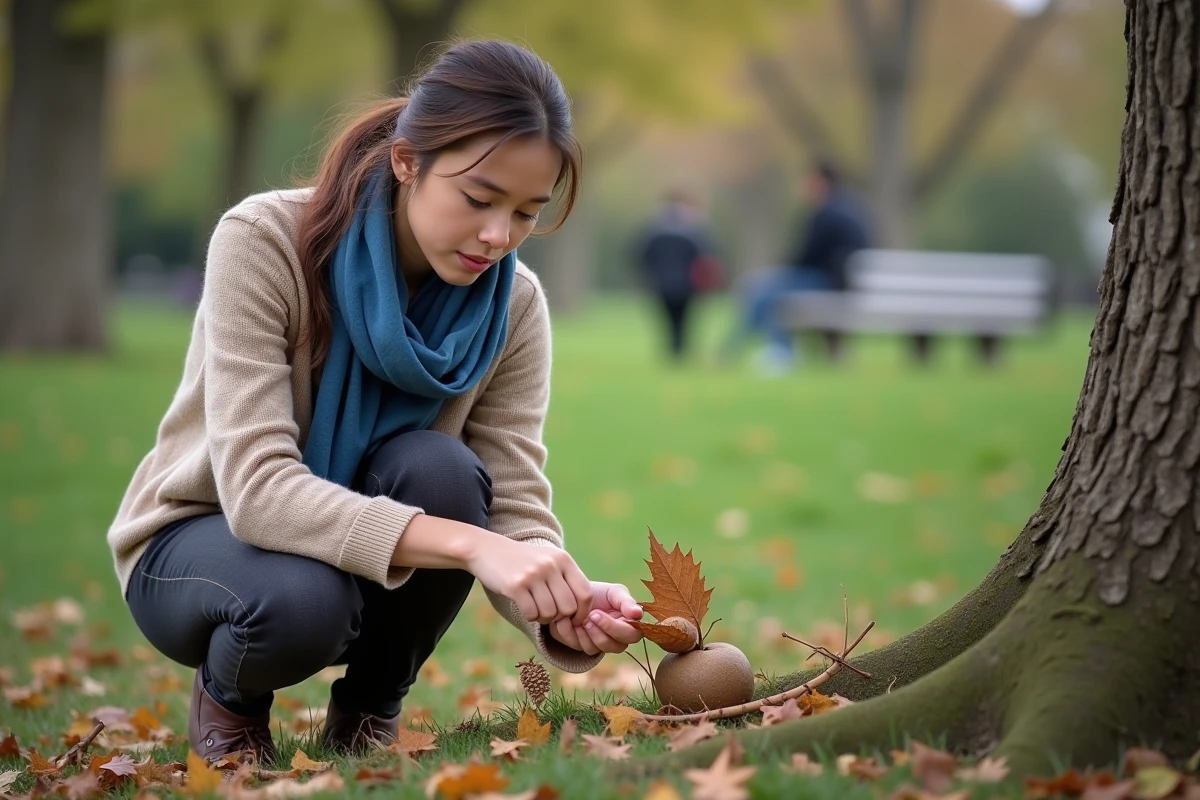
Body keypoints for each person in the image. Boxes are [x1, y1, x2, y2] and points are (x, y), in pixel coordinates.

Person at [106, 40, 645, 764]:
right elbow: (259, 491)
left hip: (356, 545)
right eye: (479, 199)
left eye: (525, 213)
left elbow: (511, 497)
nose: (497, 236)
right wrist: (472, 546)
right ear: (406, 162)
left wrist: (559, 601)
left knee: (444, 471)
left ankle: (368, 712)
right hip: (199, 539)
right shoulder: (265, 241)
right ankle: (231, 704)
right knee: (302, 602)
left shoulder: (513, 304)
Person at [723, 160, 871, 371]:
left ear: (820, 181)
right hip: (842, 282)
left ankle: (773, 351)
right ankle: (747, 349)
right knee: (762, 290)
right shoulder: (850, 207)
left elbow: (807, 255)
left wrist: (785, 265)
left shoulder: (828, 213)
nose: (803, 187)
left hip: (830, 283)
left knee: (764, 295)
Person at [634, 190, 721, 360]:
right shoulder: (695, 231)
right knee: (685, 319)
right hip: (688, 284)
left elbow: (641, 256)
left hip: (661, 282)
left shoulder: (654, 230)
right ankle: (681, 349)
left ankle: (673, 350)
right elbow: (706, 257)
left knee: (669, 319)